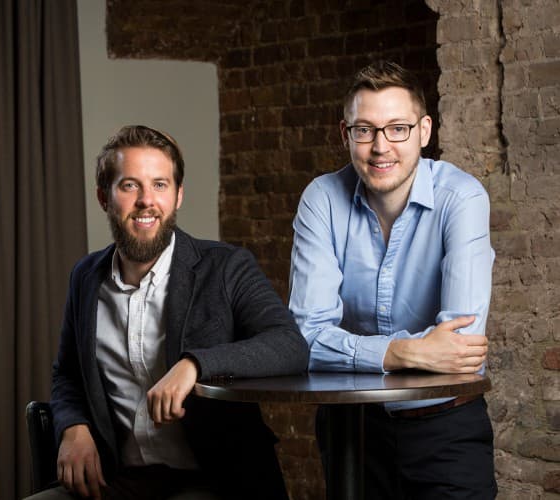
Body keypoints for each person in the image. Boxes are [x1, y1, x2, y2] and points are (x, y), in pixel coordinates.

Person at [30, 125, 308, 500]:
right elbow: (67, 374)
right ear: (103, 197)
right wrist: (73, 428)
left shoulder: (226, 266)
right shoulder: (86, 277)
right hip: (116, 480)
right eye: (130, 185)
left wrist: (194, 365)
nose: (146, 200)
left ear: (178, 195)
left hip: (214, 483)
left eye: (159, 184)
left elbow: (290, 346)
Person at [288, 61, 497, 499]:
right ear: (345, 135)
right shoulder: (322, 200)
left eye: (398, 129)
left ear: (424, 131)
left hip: (446, 429)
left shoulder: (461, 198)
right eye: (365, 130)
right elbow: (305, 338)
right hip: (353, 431)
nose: (381, 147)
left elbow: (460, 346)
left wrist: (352, 351)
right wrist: (406, 351)